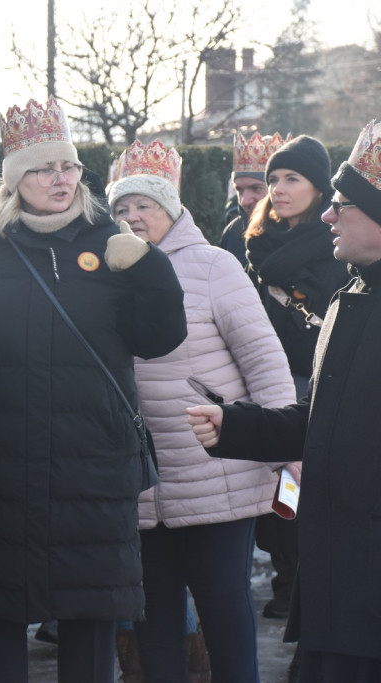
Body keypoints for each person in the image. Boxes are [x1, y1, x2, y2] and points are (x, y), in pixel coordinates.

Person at [0, 97, 187, 683]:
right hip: (0, 469)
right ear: (17, 179)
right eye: (44, 169)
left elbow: (160, 338)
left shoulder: (111, 241)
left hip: (92, 469)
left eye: (68, 168)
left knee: (90, 622)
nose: (61, 180)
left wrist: (150, 268)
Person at [187, 118, 381, 683]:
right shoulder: (353, 297)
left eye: (342, 202)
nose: (328, 215)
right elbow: (322, 419)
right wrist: (236, 427)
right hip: (339, 583)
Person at [107, 139, 297, 682]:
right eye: (121, 207)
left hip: (216, 472)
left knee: (224, 613)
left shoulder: (215, 266)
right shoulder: (106, 274)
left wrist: (285, 443)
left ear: (171, 206)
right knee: (155, 620)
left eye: (144, 204)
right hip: (143, 482)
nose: (132, 217)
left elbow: (263, 358)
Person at [243, 134, 350, 623]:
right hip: (266, 383)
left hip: (319, 383)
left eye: (292, 178)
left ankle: (310, 587)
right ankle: (287, 580)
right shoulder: (251, 241)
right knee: (275, 494)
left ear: (319, 188)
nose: (278, 189)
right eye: (273, 179)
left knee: (313, 490)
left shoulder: (340, 246)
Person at [219, 132, 290, 268]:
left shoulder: (308, 232)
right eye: (239, 190)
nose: (245, 201)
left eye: (256, 188)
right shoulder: (232, 233)